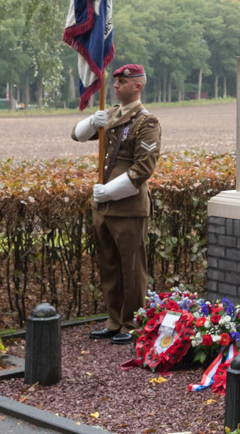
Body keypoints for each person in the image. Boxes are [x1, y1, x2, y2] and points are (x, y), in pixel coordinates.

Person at [71, 64, 162, 345]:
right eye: (115, 82)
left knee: (132, 269)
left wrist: (108, 192)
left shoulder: (146, 123)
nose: (115, 85)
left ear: (138, 86)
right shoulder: (110, 115)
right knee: (109, 266)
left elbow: (143, 168)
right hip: (104, 207)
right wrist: (91, 122)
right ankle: (113, 320)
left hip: (128, 206)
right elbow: (77, 135)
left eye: (122, 81)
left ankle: (132, 322)